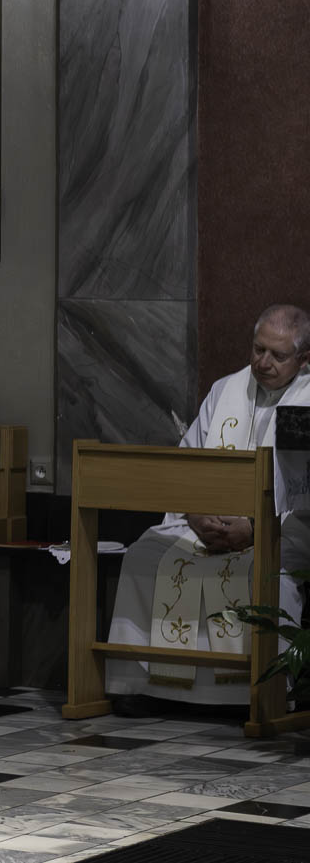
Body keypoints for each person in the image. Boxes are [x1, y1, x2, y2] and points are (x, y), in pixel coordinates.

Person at [106, 303, 310, 711]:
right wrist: (196, 514)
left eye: (277, 355)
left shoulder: (307, 403)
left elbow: (303, 489)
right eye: (258, 349)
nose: (263, 362)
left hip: (280, 531)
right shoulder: (226, 390)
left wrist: (255, 529)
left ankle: (256, 695)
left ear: (304, 359)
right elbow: (189, 461)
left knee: (265, 573)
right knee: (144, 554)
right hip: (209, 523)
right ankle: (141, 687)